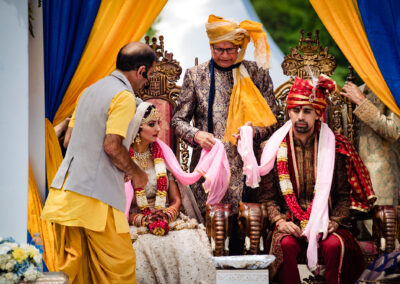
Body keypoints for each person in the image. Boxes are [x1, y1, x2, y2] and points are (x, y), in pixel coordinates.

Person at [41, 42, 156, 284]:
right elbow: (112, 146)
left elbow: (69, 139)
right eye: (149, 76)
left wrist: (117, 166)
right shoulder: (123, 97)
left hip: (67, 194)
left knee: (74, 269)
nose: (147, 82)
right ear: (142, 70)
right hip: (95, 199)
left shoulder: (89, 91)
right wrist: (136, 173)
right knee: (121, 266)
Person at [257, 75, 376, 284]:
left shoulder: (335, 147)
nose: (300, 116)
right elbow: (267, 198)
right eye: (295, 110)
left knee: (334, 246)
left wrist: (335, 222)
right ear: (289, 112)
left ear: (318, 113)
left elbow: (343, 196)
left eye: (307, 111)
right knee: (285, 246)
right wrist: (279, 221)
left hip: (325, 223)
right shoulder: (274, 148)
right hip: (290, 222)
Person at [171, 14, 278, 224]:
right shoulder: (196, 75)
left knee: (246, 234)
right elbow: (177, 121)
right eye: (219, 49)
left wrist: (253, 133)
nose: (225, 55)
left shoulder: (256, 74)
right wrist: (197, 135)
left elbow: (274, 120)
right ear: (210, 47)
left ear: (239, 48)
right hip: (208, 167)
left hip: (248, 168)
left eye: (230, 50)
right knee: (212, 235)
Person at [127, 102, 216, 284]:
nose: (159, 129)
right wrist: (143, 219)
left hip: (167, 217)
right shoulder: (124, 162)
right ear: (136, 128)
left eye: (159, 123)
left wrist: (166, 215)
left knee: (190, 248)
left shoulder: (162, 156)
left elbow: (176, 200)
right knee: (141, 254)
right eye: (152, 124)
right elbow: (121, 206)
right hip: (136, 222)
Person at [341, 82, 400, 206]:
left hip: (382, 183)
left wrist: (362, 102)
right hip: (351, 180)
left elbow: (394, 131)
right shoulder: (355, 89)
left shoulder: (393, 88)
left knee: (381, 223)